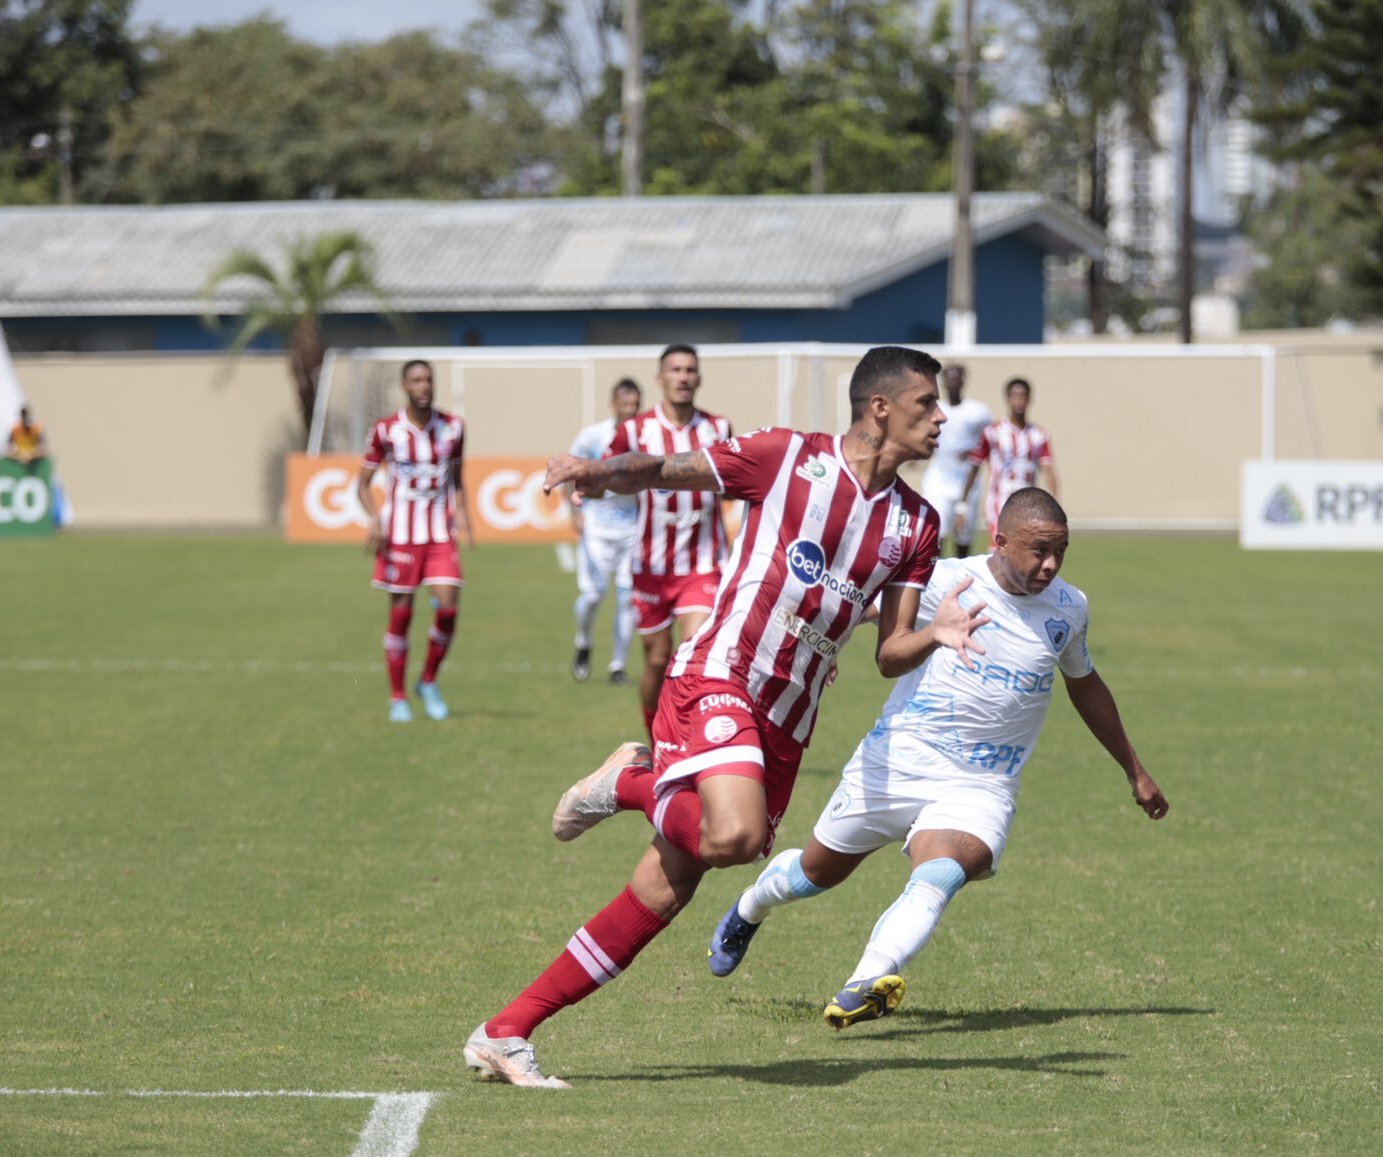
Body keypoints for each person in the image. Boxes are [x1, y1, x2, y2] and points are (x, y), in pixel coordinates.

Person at [462, 345, 974, 1089]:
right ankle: (636, 781)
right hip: (720, 673)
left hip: (787, 722)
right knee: (734, 835)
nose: (941, 417)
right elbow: (671, 470)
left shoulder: (917, 525)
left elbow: (890, 652)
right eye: (928, 404)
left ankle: (507, 1031)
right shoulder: (787, 458)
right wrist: (598, 473)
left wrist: (938, 634)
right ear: (880, 408)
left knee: (668, 890)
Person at [705, 487, 1169, 1027]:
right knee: (814, 873)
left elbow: (1085, 684)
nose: (1050, 565)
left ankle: (867, 979)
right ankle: (751, 907)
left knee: (946, 868)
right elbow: (854, 610)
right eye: (1038, 550)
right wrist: (820, 652)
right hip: (897, 760)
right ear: (999, 541)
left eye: (1060, 552)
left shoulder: (1069, 608)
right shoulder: (946, 580)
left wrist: (1134, 770)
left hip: (982, 784)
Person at [606, 344, 734, 735]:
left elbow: (734, 484)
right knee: (658, 660)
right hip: (651, 566)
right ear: (660, 379)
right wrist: (586, 485)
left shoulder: (718, 428)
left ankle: (692, 742)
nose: (683, 377)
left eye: (690, 370)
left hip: (704, 563)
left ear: (699, 378)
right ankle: (657, 740)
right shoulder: (635, 429)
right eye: (675, 370)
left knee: (694, 653)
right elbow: (608, 471)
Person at [355, 359, 472, 724]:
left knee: (449, 609)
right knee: (401, 616)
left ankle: (428, 681)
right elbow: (361, 483)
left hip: (439, 535)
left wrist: (465, 516)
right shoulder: (386, 430)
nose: (424, 386)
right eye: (417, 381)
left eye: (429, 380)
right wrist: (374, 520)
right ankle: (397, 697)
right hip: (400, 537)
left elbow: (457, 478)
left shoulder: (453, 427)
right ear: (405, 386)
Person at [569, 378, 644, 685]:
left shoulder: (646, 434)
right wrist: (575, 512)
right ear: (613, 403)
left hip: (632, 528)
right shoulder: (593, 435)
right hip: (597, 526)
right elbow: (571, 470)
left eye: (635, 405)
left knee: (627, 599)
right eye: (625, 404)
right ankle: (583, 642)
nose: (630, 409)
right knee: (594, 594)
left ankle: (617, 665)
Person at [969, 377, 1058, 542]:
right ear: (1007, 399)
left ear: (1030, 399)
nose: (1019, 401)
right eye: (1014, 396)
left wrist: (1054, 503)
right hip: (1000, 499)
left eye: (1023, 396)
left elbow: (1048, 471)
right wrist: (963, 502)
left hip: (1028, 502)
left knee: (1024, 552)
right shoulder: (992, 432)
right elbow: (974, 465)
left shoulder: (1039, 435)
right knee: (1000, 548)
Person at [926, 363, 996, 558]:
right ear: (943, 382)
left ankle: (960, 575)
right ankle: (935, 575)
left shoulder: (978, 411)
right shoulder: (935, 409)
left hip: (967, 479)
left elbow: (990, 440)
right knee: (937, 528)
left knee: (963, 532)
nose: (952, 383)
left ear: (963, 381)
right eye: (949, 378)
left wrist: (973, 451)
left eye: (956, 378)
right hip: (940, 478)